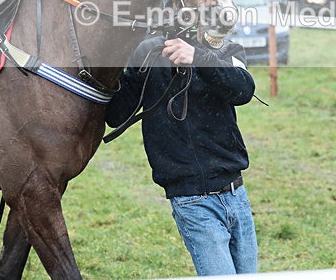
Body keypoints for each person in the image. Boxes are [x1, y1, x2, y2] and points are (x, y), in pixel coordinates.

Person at [105, 33, 259, 275]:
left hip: (236, 193)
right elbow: (116, 114)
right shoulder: (147, 52)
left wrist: (198, 58)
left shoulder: (223, 48)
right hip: (192, 200)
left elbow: (243, 90)